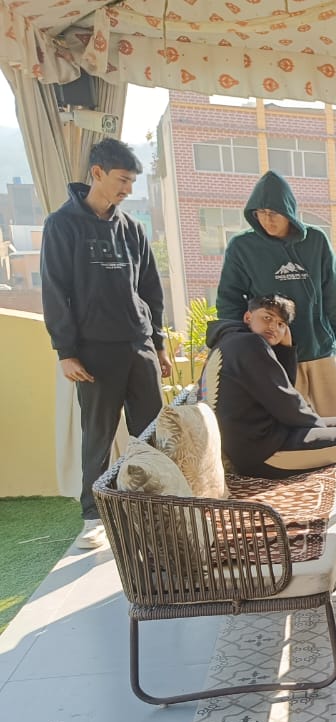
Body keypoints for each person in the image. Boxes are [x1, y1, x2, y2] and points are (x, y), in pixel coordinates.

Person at [41, 138, 172, 550]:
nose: (128, 189)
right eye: (122, 180)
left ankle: (156, 506)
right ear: (97, 173)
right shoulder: (62, 225)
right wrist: (66, 352)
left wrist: (158, 343)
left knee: (151, 431)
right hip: (94, 352)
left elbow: (150, 289)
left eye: (132, 182)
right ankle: (93, 516)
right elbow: (55, 291)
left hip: (139, 345)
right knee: (97, 435)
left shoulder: (131, 228)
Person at [202, 294, 336, 557]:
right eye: (266, 318)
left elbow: (278, 386)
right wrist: (317, 428)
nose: (274, 327)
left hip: (255, 444)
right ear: (248, 317)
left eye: (281, 324)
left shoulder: (231, 341)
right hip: (265, 453)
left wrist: (285, 350)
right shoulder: (249, 345)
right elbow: (285, 401)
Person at [212, 171, 336, 419]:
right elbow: (229, 300)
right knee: (290, 425)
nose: (267, 220)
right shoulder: (242, 247)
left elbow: (334, 294)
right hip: (274, 354)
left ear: (289, 211)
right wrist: (245, 346)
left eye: (274, 213)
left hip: (319, 348)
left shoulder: (315, 241)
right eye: (260, 212)